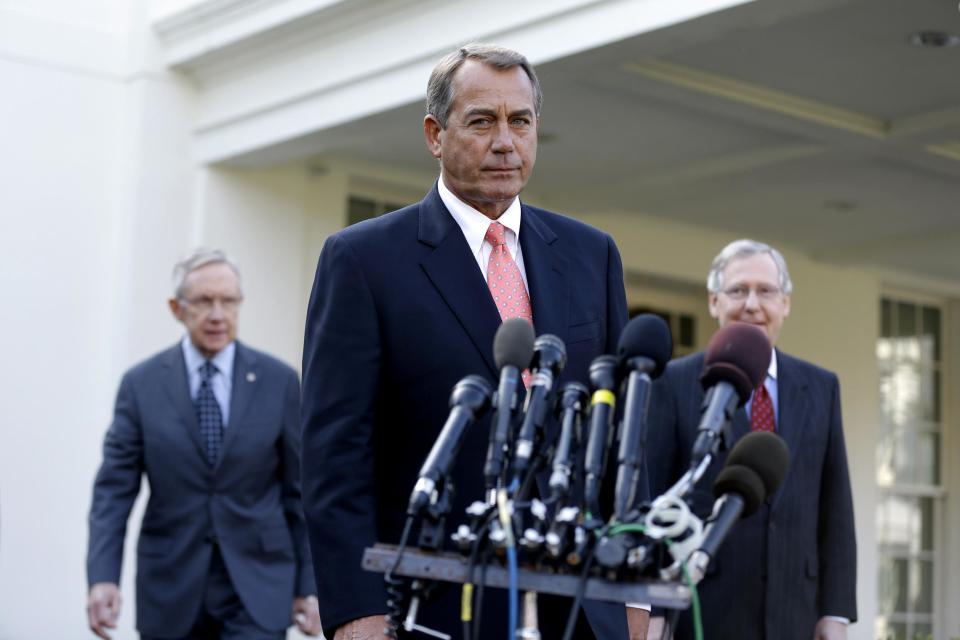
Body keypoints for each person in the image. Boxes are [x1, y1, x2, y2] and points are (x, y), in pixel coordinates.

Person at [301, 44, 650, 639]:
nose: (505, 142)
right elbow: (335, 457)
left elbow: (620, 439)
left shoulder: (592, 255)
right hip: (433, 605)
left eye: (521, 121)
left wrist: (636, 596)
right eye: (482, 121)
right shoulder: (363, 260)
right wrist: (357, 611)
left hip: (584, 608)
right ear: (436, 134)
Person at [86, 249, 321, 640]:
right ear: (176, 308)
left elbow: (300, 494)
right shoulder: (141, 385)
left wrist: (309, 585)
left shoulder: (279, 382)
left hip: (257, 588)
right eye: (203, 301)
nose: (217, 314)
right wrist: (102, 578)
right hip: (171, 588)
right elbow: (113, 491)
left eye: (228, 301)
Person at [646, 239, 857, 640]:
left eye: (766, 291)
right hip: (703, 610)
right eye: (738, 290)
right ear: (713, 302)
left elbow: (836, 505)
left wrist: (837, 611)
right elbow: (656, 500)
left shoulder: (821, 386)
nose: (752, 304)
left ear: (786, 304)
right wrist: (654, 610)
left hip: (797, 611)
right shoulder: (672, 383)